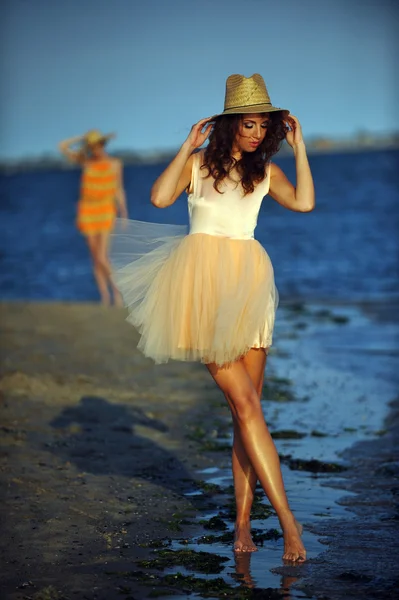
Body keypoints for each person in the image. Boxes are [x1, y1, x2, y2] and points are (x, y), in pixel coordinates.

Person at [111, 74, 315, 561]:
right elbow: (160, 198)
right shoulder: (200, 166)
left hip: (251, 291)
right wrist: (186, 146)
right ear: (229, 124)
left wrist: (301, 147)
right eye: (248, 124)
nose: (256, 134)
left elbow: (305, 203)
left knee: (248, 415)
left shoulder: (264, 173)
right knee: (246, 407)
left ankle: (243, 523)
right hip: (201, 292)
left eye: (264, 126)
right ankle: (289, 524)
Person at [58, 130, 128, 306]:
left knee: (102, 256)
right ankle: (105, 298)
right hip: (87, 211)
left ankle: (118, 292)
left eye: (98, 145)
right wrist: (82, 138)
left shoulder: (114, 163)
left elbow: (119, 189)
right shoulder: (86, 162)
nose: (96, 149)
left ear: (103, 145)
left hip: (105, 209)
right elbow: (62, 146)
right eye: (92, 146)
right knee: (95, 258)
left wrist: (124, 213)